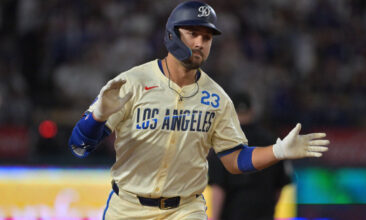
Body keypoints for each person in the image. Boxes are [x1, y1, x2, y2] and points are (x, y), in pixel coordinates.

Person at [68, 1, 329, 219]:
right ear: (172, 34)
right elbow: (79, 147)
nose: (201, 42)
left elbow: (234, 159)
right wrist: (97, 117)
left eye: (206, 37)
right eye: (193, 33)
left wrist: (278, 151)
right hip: (127, 207)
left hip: (184, 209)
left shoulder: (217, 98)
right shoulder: (132, 82)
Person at [208, 92, 292, 220]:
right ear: (252, 111)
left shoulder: (222, 144)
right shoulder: (272, 142)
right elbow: (280, 186)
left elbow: (218, 190)